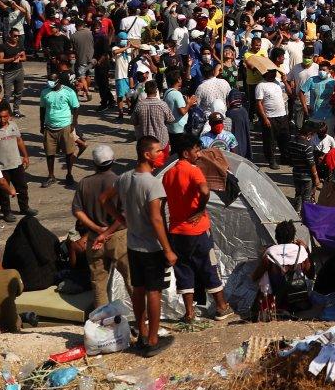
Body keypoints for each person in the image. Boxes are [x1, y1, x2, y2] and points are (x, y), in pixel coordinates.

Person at [95, 136, 177, 357]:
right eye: (158, 151)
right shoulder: (151, 183)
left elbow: (104, 199)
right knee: (154, 292)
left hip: (133, 244)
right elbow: (156, 219)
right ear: (146, 154)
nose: (161, 155)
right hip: (151, 247)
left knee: (138, 290)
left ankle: (141, 334)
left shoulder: (125, 178)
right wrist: (168, 249)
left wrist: (121, 219)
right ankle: (152, 339)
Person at [163, 134, 234, 322]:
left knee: (184, 269)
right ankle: (221, 306)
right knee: (208, 265)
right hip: (198, 229)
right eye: (195, 150)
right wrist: (200, 208)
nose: (198, 154)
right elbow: (204, 190)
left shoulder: (169, 174)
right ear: (186, 153)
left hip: (177, 231)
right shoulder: (193, 171)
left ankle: (189, 313)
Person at [72, 144, 129, 309]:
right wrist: (108, 231)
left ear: (94, 163)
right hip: (118, 237)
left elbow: (77, 211)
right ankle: (142, 321)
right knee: (132, 280)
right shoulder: (119, 182)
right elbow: (124, 215)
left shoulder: (84, 183)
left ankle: (103, 323)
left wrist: (97, 230)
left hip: (94, 239)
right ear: (113, 161)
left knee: (98, 283)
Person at [251, 220, 312, 320]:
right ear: (293, 237)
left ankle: (267, 308)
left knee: (265, 278)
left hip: (276, 301)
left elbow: (254, 277)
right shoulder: (301, 250)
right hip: (297, 299)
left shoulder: (270, 253)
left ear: (276, 237)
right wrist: (307, 250)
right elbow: (310, 275)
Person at [0, 106, 34, 222]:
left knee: (22, 187)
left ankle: (24, 208)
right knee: (3, 191)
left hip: (16, 163)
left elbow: (19, 141)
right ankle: (7, 212)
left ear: (9, 117)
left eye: (5, 117)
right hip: (0, 166)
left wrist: (25, 156)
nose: (2, 119)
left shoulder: (13, 126)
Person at [39, 71, 80, 188]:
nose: (49, 82)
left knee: (68, 153)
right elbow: (42, 109)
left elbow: (76, 107)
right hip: (49, 127)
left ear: (58, 81)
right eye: (48, 80)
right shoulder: (44, 92)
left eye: (52, 80)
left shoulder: (69, 92)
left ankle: (69, 174)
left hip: (65, 126)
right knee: (49, 153)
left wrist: (74, 123)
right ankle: (51, 176)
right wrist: (42, 125)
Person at [2, 213, 60, 292]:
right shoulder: (49, 238)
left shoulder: (13, 243)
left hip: (25, 283)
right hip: (48, 280)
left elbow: (6, 265)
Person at [256, 68, 290, 170]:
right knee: (270, 141)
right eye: (272, 72)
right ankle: (271, 160)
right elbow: (259, 103)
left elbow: (289, 92)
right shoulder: (261, 85)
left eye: (275, 72)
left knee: (284, 139)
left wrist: (284, 81)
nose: (274, 74)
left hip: (282, 115)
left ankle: (285, 158)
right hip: (270, 117)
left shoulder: (278, 83)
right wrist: (265, 118)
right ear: (266, 73)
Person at [286, 119, 321, 213]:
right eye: (313, 133)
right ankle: (306, 215)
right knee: (306, 197)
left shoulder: (292, 140)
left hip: (296, 172)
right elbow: (311, 163)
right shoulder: (307, 146)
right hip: (306, 176)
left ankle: (296, 211)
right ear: (309, 133)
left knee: (298, 193)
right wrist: (316, 177)